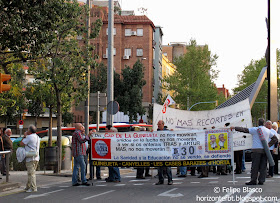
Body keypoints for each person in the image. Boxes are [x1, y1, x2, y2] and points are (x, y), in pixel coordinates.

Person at [230, 118, 278, 185]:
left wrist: (235, 127)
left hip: (256, 150)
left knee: (255, 166)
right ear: (264, 123)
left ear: (258, 123)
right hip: (264, 150)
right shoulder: (267, 131)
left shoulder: (255, 129)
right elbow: (275, 138)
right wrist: (269, 145)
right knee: (263, 166)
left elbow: (244, 130)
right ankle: (261, 180)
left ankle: (253, 180)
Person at [20, 125, 40, 192]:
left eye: (27, 130)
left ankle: (33, 188)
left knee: (31, 174)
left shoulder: (29, 137)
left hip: (30, 157)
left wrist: (24, 136)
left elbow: (21, 143)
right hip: (36, 157)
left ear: (30, 131)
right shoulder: (37, 137)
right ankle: (28, 186)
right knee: (31, 172)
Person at [155, 120, 173, 185]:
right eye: (157, 124)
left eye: (159, 124)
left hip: (166, 152)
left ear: (163, 124)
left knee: (168, 167)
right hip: (159, 152)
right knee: (159, 168)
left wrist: (172, 132)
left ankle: (170, 180)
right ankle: (161, 180)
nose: (158, 126)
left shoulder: (167, 131)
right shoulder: (156, 132)